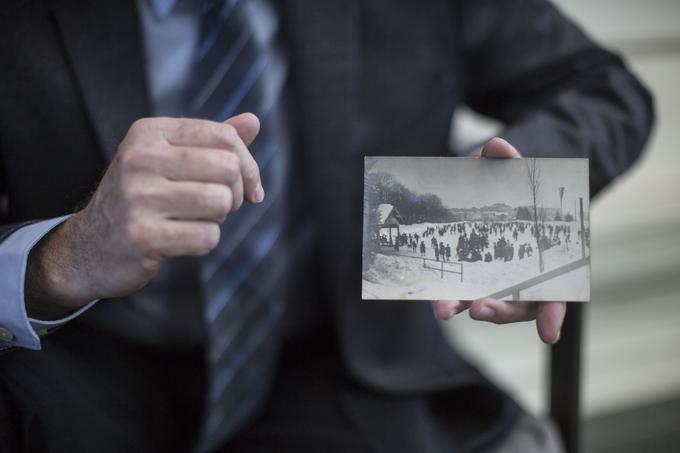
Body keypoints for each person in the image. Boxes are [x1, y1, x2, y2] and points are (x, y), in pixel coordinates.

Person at [0, 1, 653, 453]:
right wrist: (63, 257)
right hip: (76, 354)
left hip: (336, 350)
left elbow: (603, 88)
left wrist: (517, 202)